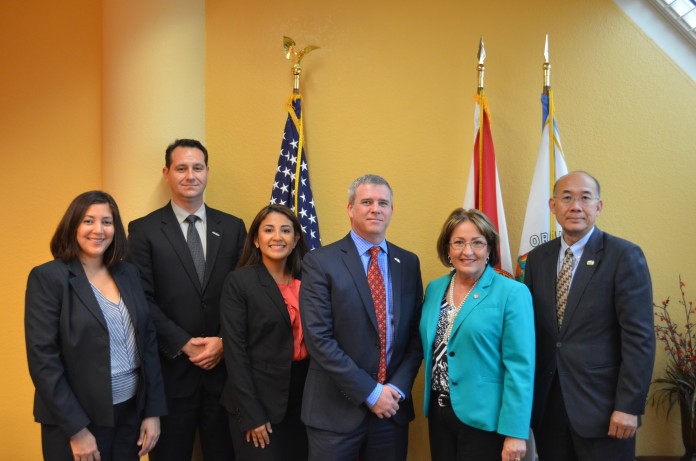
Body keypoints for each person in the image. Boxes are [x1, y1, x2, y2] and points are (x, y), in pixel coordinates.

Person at [127, 139, 246, 461]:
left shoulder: (234, 228)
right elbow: (141, 300)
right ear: (167, 173)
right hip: (170, 375)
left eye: (197, 167)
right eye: (181, 168)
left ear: (208, 172)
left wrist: (223, 341)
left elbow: (245, 297)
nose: (189, 175)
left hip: (224, 377)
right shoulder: (143, 230)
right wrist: (183, 343)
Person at [25, 191, 166, 461]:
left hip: (129, 415)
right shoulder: (48, 278)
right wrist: (77, 430)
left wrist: (152, 411)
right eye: (89, 221)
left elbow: (148, 342)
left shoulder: (128, 273)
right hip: (76, 419)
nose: (98, 230)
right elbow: (44, 360)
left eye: (107, 222)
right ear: (73, 226)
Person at [524, 171, 655, 461]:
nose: (576, 206)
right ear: (552, 205)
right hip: (549, 409)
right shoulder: (537, 259)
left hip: (606, 410)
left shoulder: (624, 255)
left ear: (599, 206)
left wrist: (629, 406)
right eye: (567, 197)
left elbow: (639, 338)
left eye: (585, 198)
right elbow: (533, 332)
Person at [299, 174, 423, 461]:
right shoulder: (320, 262)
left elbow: (416, 336)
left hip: (391, 411)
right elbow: (319, 339)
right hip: (334, 412)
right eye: (366, 202)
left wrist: (394, 389)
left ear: (391, 210)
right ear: (350, 208)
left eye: (383, 203)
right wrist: (370, 392)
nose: (375, 209)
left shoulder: (408, 262)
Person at [419, 208, 534, 461]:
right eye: (458, 242)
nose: (467, 251)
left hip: (486, 418)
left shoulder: (512, 293)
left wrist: (515, 431)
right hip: (439, 414)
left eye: (477, 243)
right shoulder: (435, 288)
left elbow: (520, 367)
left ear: (490, 248)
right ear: (447, 249)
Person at [220, 204, 310, 461]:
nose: (277, 237)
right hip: (257, 403)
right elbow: (235, 353)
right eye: (268, 230)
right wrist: (252, 414)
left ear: (296, 240)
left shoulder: (310, 281)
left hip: (302, 401)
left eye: (285, 230)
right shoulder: (240, 282)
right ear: (256, 240)